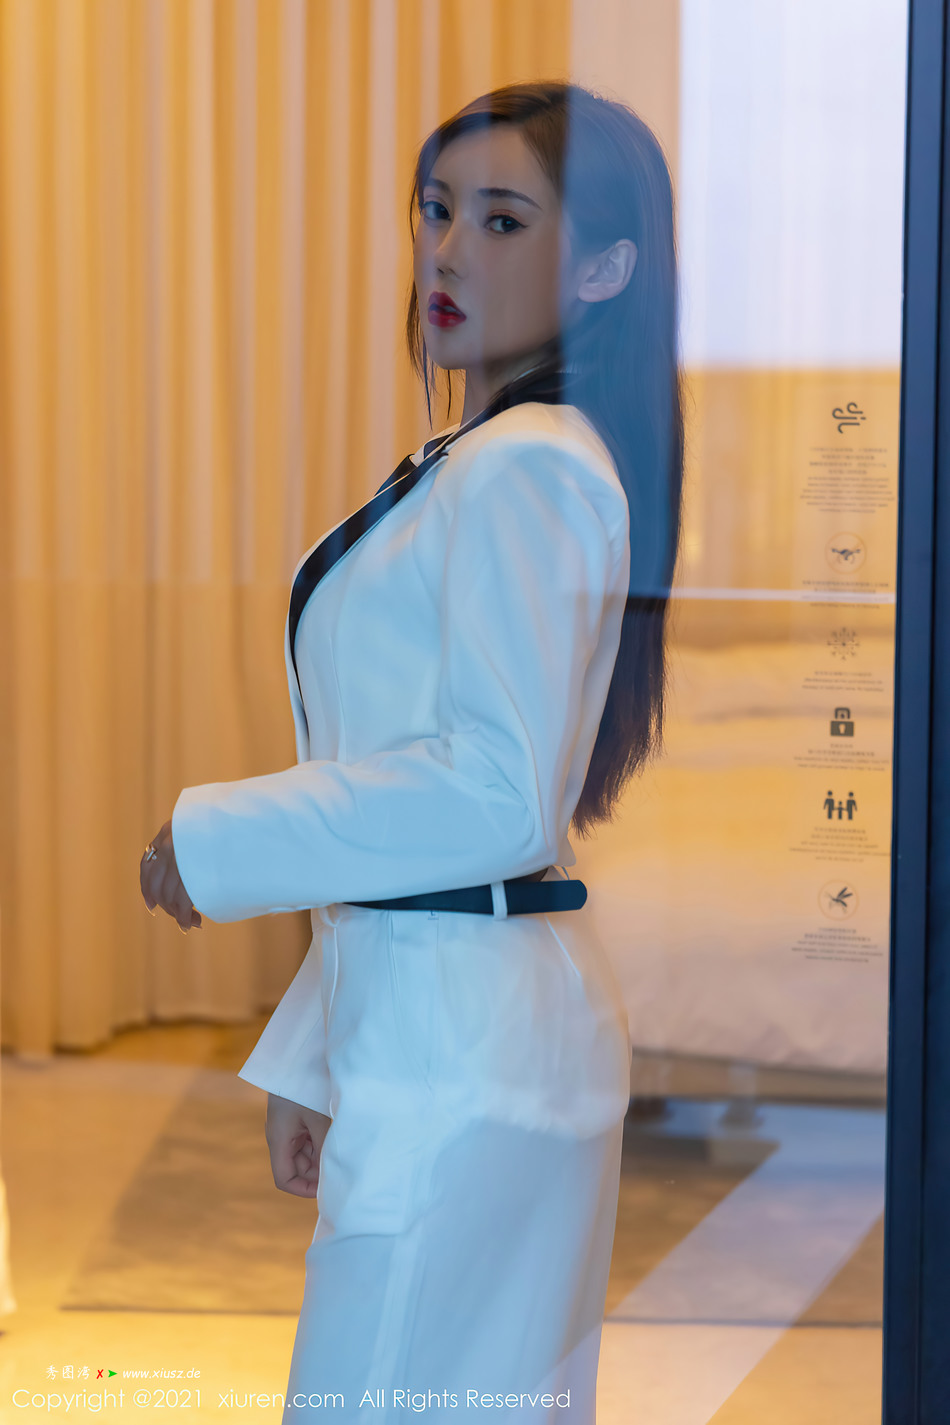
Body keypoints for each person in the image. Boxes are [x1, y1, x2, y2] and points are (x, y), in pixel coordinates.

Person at [140, 79, 683, 1423]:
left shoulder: (528, 468)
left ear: (604, 268)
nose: (444, 252)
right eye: (435, 212)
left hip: (466, 1067)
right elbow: (426, 802)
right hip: (446, 1041)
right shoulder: (480, 460)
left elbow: (496, 796)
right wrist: (310, 1052)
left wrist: (216, 840)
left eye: (500, 221)